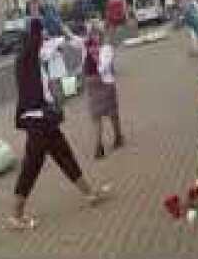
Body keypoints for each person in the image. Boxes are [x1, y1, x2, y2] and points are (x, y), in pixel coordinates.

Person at [8, 17, 111, 230]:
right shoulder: (25, 58)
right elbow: (39, 38)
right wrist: (38, 16)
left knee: (64, 154)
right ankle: (15, 216)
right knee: (32, 166)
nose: (44, 37)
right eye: (41, 34)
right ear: (31, 37)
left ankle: (89, 194)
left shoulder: (35, 60)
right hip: (36, 121)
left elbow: (51, 49)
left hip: (45, 119)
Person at [74, 20, 124, 158]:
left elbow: (73, 39)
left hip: (91, 83)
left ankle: (98, 147)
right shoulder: (105, 48)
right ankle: (118, 137)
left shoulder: (87, 45)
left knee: (96, 117)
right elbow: (104, 68)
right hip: (104, 82)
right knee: (113, 113)